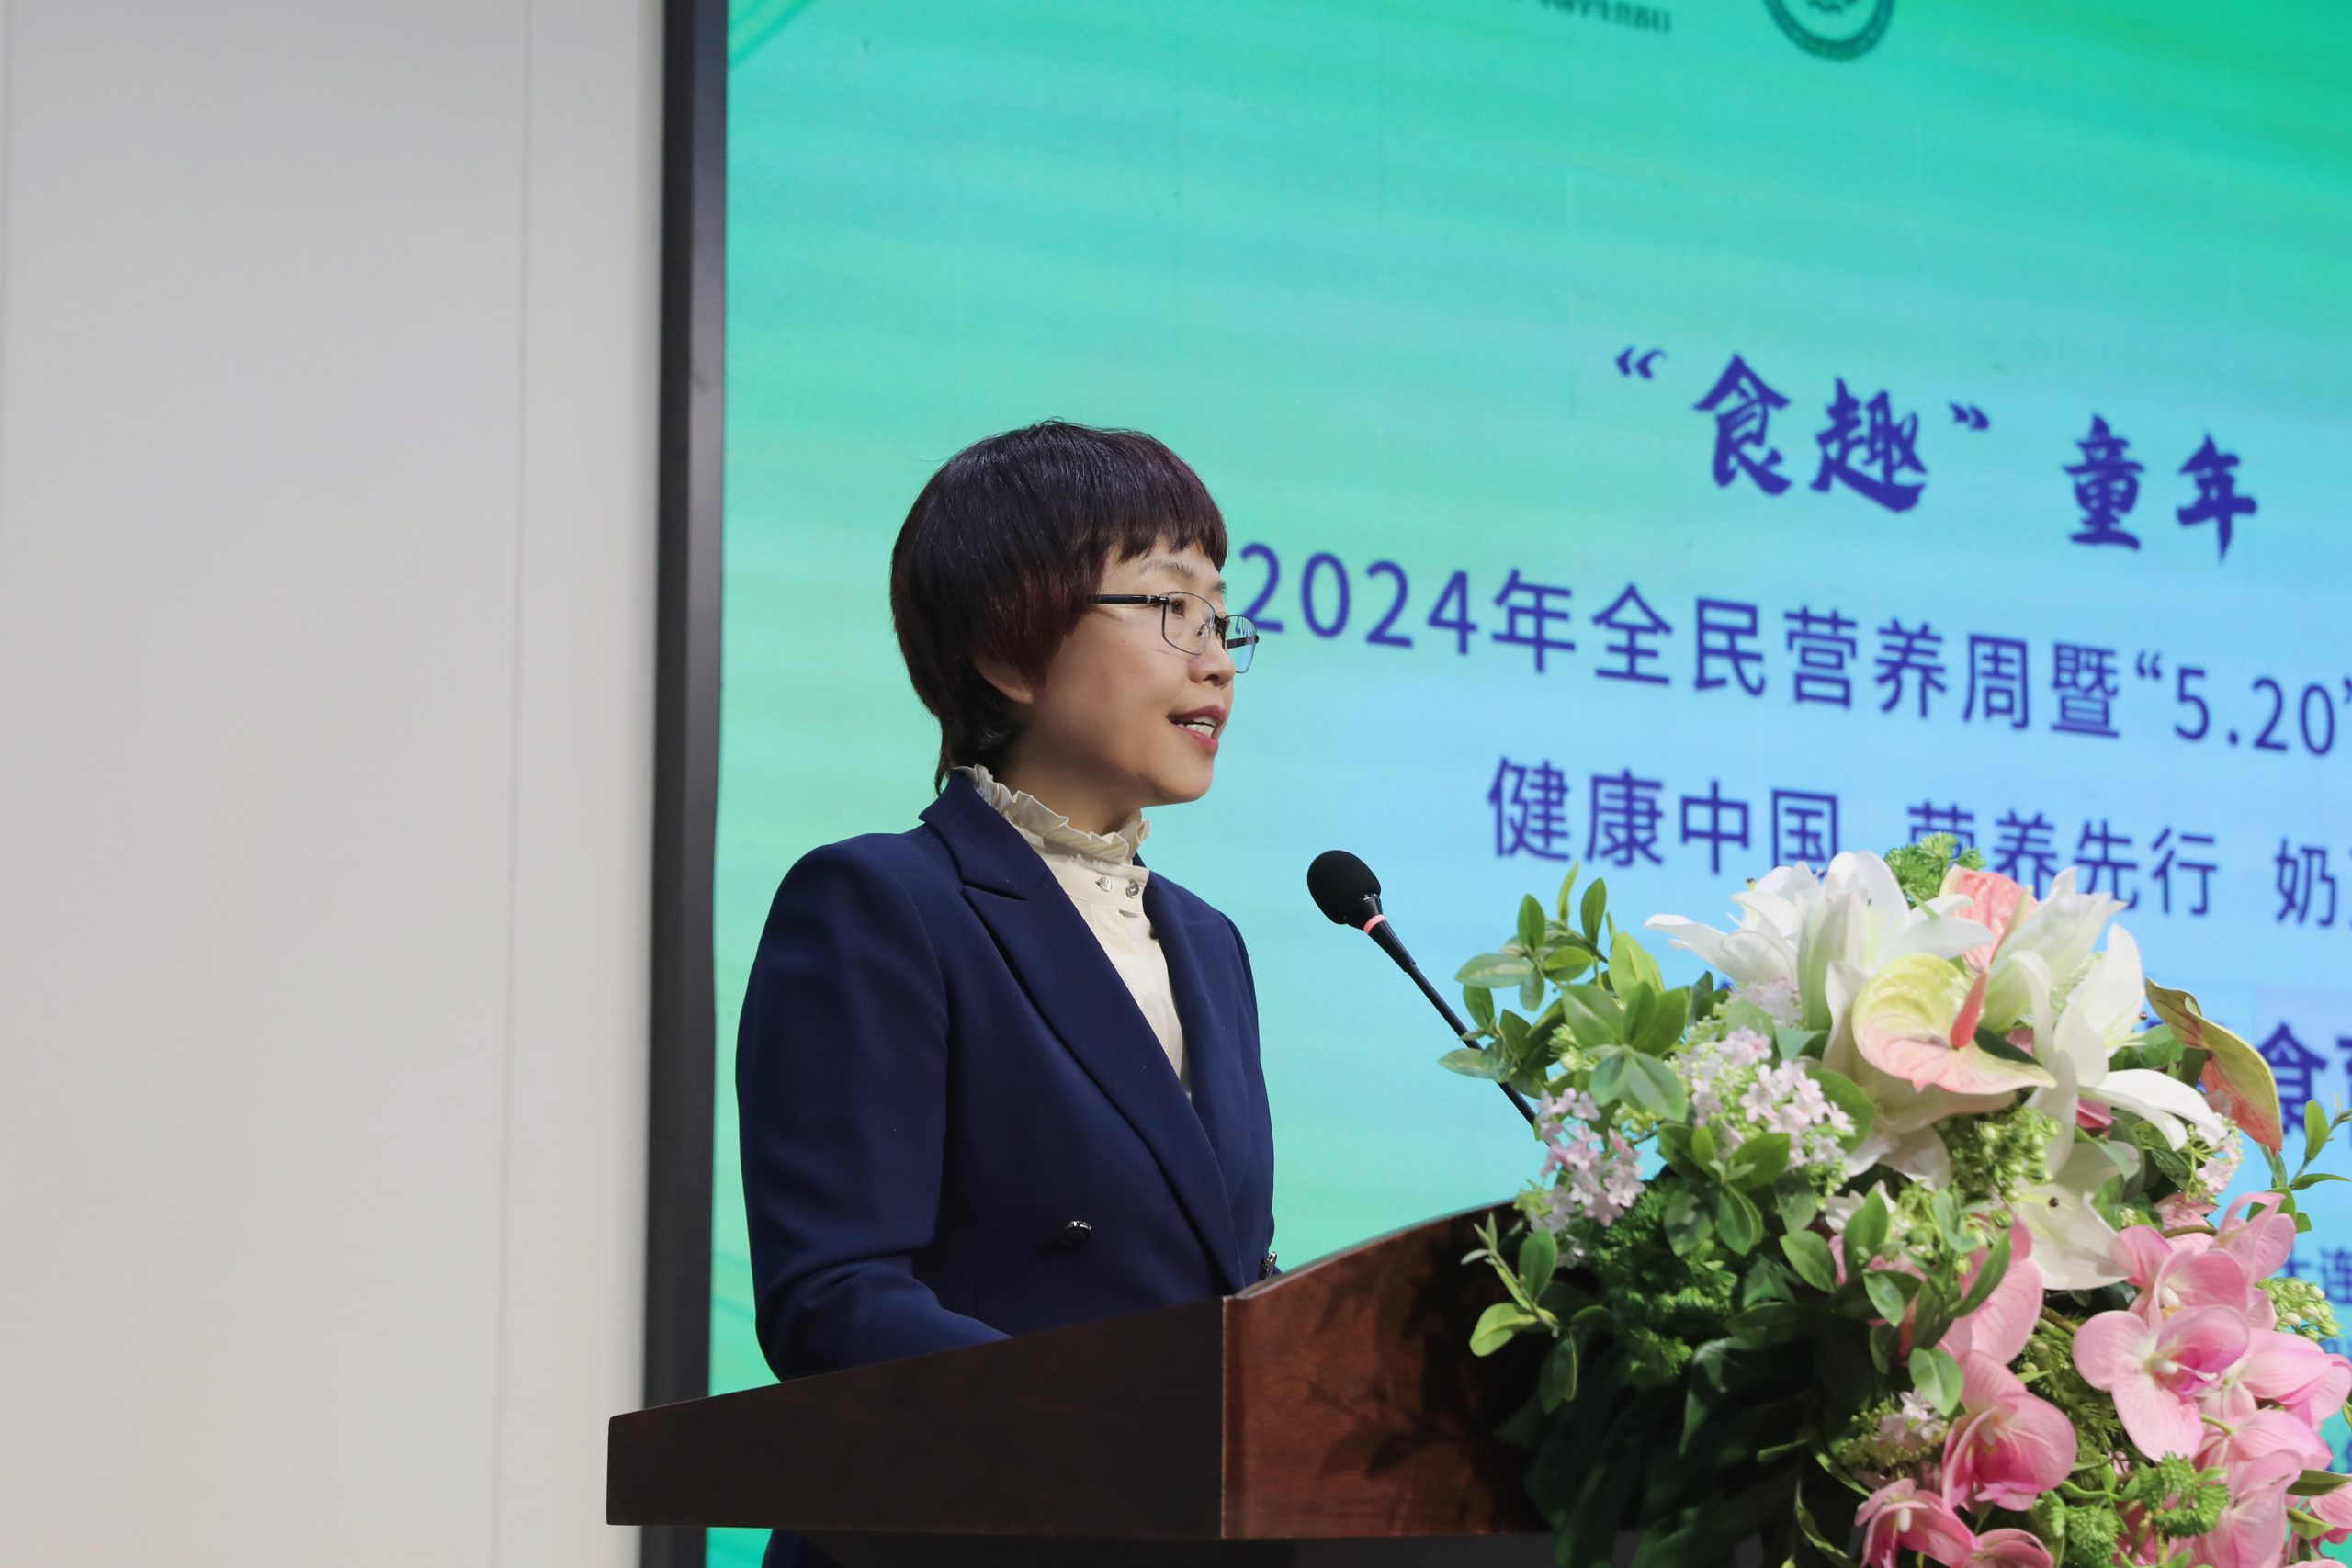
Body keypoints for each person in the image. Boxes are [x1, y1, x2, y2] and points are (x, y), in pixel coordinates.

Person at [734, 420, 1277, 1567]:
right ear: (1008, 648)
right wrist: (1120, 1440)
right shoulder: (881, 903)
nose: (1216, 660)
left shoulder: (1208, 945)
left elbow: (1224, 1283)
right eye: (1169, 606)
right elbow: (834, 1298)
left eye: (1220, 617)